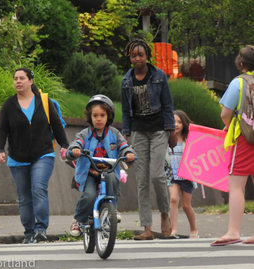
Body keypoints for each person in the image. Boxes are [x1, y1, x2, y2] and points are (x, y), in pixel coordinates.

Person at [0, 67, 69, 244]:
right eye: (15, 79)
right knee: (24, 196)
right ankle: (29, 232)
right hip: (17, 157)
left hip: (43, 154)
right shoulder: (8, 105)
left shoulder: (44, 102)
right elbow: (2, 131)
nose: (18, 81)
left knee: (38, 189)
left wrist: (65, 146)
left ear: (31, 81)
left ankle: (40, 229)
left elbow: (57, 126)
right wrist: (0, 150)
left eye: (22, 78)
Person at [121, 38, 177, 240]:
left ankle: (164, 214)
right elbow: (126, 112)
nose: (137, 58)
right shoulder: (126, 80)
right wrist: (125, 135)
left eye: (141, 55)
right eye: (134, 55)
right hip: (138, 132)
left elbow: (168, 105)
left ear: (147, 56)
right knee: (141, 181)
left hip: (159, 130)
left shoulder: (159, 76)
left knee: (156, 175)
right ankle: (146, 227)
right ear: (130, 57)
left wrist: (171, 131)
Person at [66, 94, 136, 237]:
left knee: (112, 181)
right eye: (95, 115)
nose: (98, 119)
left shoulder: (115, 133)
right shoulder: (85, 134)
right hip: (90, 172)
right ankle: (78, 220)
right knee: (90, 195)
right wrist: (75, 150)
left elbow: (123, 146)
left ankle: (112, 210)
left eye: (102, 115)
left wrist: (128, 153)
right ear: (90, 117)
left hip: (108, 170)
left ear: (108, 116)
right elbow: (76, 143)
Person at [211, 45, 254, 246]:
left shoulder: (238, 83)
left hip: (244, 138)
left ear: (241, 63)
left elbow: (225, 114)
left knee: (237, 185)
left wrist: (229, 127)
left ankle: (233, 231)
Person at [166, 110, 198, 239]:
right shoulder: (166, 139)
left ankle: (194, 229)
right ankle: (173, 230)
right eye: (173, 121)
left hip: (186, 176)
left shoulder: (189, 139)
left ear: (184, 124)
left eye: (179, 122)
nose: (176, 124)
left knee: (186, 205)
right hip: (172, 175)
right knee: (173, 200)